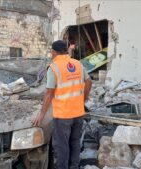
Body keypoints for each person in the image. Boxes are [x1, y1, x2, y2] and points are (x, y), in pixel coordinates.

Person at [34, 40, 92, 169]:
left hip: (63, 115)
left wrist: (41, 114)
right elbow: (88, 82)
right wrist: (84, 97)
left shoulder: (53, 67)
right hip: (78, 113)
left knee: (62, 146)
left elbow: (49, 93)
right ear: (66, 50)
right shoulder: (77, 63)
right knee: (75, 143)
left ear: (54, 52)